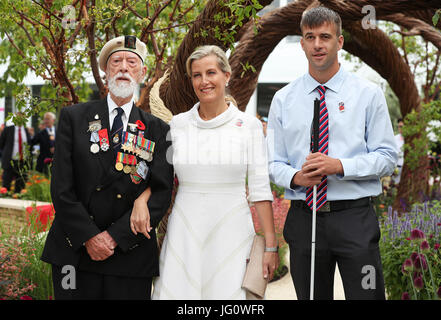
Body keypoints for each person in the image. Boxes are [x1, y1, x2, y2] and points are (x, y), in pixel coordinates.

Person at [267, 7, 398, 300]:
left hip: (354, 220)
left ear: (339, 42)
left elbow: (387, 157)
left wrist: (340, 165)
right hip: (304, 220)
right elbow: (272, 163)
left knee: (368, 296)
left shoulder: (369, 94)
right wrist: (296, 177)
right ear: (301, 43)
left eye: (325, 36)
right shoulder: (283, 99)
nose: (317, 44)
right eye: (309, 37)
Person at [136, 45, 279, 300]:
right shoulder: (177, 125)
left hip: (232, 230)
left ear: (226, 75)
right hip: (185, 229)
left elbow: (260, 190)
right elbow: (162, 177)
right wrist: (141, 198)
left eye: (211, 72)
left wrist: (270, 246)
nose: (204, 81)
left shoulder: (249, 126)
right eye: (197, 75)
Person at [40, 35, 174, 300]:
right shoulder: (73, 117)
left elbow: (161, 192)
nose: (124, 67)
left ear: (142, 72)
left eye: (132, 62)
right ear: (106, 71)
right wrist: (90, 237)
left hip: (129, 255)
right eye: (116, 61)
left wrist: (113, 237)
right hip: (74, 251)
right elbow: (61, 188)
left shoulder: (160, 130)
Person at [0, 122, 31, 193]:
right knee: (6, 183)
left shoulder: (26, 130)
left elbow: (29, 144)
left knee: (20, 184)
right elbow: (1, 144)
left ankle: (18, 197)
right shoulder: (8, 129)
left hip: (22, 161)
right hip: (10, 160)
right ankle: (5, 198)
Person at [393, 119, 404, 184]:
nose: (400, 128)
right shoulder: (394, 139)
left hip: (407, 171)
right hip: (396, 169)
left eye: (402, 126)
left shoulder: (410, 140)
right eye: (399, 126)